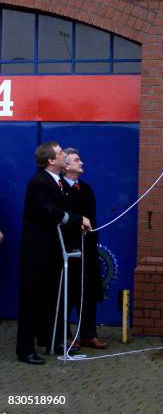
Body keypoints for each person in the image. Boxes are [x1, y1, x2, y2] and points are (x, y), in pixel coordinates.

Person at [16, 142, 91, 365]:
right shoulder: (40, 183)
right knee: (31, 300)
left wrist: (77, 222)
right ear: (51, 160)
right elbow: (52, 212)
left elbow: (66, 210)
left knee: (52, 298)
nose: (64, 157)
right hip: (37, 251)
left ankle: (52, 340)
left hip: (53, 250)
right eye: (60, 154)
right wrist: (79, 220)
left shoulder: (58, 183)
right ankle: (25, 349)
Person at [62, 148, 107, 349]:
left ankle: (89, 334)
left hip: (87, 248)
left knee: (88, 292)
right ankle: (66, 335)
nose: (81, 162)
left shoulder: (86, 188)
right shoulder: (59, 188)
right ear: (66, 166)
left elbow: (93, 217)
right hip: (70, 249)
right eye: (76, 160)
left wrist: (90, 231)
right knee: (69, 292)